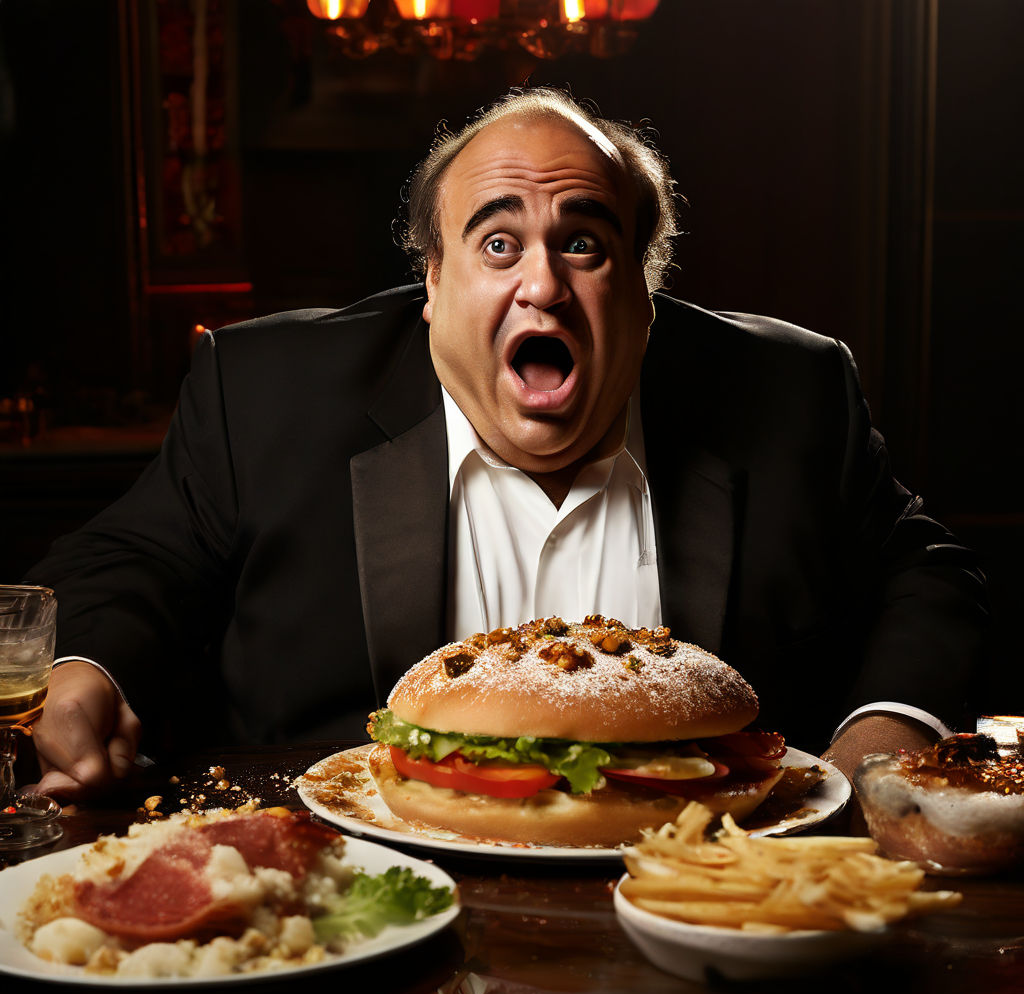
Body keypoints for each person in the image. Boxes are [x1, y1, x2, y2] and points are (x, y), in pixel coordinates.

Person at [25, 86, 988, 801]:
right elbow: (129, 559)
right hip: (350, 888)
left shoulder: (790, 388)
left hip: (706, 892)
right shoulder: (268, 392)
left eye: (584, 244)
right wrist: (87, 670)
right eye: (497, 244)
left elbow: (927, 571)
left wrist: (887, 726)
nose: (543, 286)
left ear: (646, 296)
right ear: (431, 285)